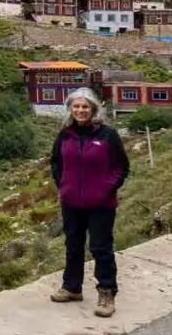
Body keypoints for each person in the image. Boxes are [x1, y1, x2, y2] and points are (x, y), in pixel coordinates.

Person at [49, 86, 130, 318]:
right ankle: (72, 287)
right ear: (70, 109)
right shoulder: (65, 134)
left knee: (100, 248)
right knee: (73, 245)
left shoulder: (107, 135)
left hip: (101, 204)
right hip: (71, 201)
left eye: (85, 106)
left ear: (93, 109)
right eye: (76, 106)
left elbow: (122, 167)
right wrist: (62, 184)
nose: (80, 110)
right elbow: (56, 161)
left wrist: (108, 188)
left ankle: (106, 293)